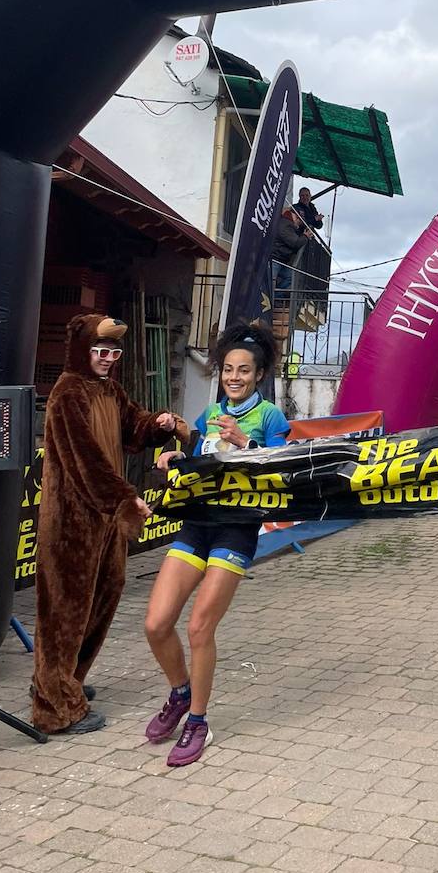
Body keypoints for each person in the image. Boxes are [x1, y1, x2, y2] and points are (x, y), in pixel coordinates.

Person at [31, 314, 187, 735]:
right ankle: (53, 706)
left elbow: (132, 429)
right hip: (72, 521)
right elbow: (85, 461)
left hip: (106, 522)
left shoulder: (109, 390)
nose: (107, 359)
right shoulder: (67, 393)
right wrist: (124, 497)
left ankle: (69, 681)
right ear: (83, 350)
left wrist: (157, 424)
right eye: (100, 351)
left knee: (104, 596)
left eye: (114, 352)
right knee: (64, 610)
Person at [143, 323, 289, 768]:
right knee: (156, 624)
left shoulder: (270, 418)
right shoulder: (210, 414)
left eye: (244, 371)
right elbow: (203, 459)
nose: (234, 377)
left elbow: (285, 472)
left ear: (259, 374)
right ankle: (181, 693)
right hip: (197, 523)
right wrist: (178, 451)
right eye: (228, 369)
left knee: (199, 628)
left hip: (236, 529)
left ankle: (199, 722)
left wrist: (247, 444)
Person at [272, 206, 312, 293]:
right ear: (294, 216)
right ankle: (272, 299)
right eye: (299, 220)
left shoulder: (286, 223)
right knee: (271, 281)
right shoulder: (285, 225)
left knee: (291, 276)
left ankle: (276, 297)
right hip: (275, 258)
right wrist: (305, 236)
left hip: (280, 259)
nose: (299, 222)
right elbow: (295, 243)